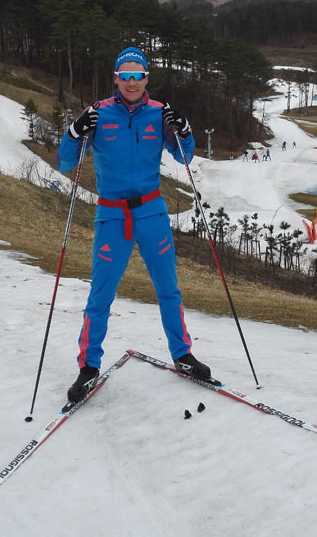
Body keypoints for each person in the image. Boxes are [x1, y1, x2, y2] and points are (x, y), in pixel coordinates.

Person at [58, 46, 209, 404]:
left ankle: (182, 354)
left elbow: (185, 156)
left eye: (137, 76)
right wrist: (75, 131)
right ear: (115, 79)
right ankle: (89, 367)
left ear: (146, 80)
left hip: (152, 214)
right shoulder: (97, 114)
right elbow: (66, 162)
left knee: (168, 289)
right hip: (112, 215)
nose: (131, 82)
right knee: (101, 295)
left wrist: (185, 130)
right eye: (124, 76)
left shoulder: (159, 114)